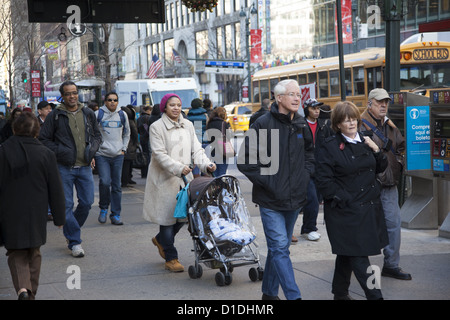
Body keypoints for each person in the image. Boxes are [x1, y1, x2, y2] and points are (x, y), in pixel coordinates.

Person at [237, 79, 315, 300]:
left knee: (278, 249)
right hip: (270, 200)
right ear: (279, 98)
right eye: (292, 94)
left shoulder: (301, 124)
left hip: (294, 199)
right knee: (281, 248)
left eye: (299, 94)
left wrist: (305, 174)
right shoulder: (262, 124)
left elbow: (310, 154)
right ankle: (293, 296)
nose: (297, 98)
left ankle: (269, 293)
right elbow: (245, 161)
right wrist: (269, 183)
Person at [315, 101, 389, 300]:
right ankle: (376, 297)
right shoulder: (330, 146)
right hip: (345, 211)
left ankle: (340, 294)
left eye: (354, 119)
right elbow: (323, 181)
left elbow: (381, 167)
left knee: (348, 252)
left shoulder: (366, 139)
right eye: (346, 120)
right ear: (337, 124)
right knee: (359, 257)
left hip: (368, 208)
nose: (351, 123)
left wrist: (376, 150)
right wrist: (343, 198)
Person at [143, 93, 216, 272]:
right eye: (172, 105)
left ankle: (160, 240)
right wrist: (178, 168)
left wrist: (206, 164)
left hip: (185, 179)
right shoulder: (156, 127)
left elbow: (196, 149)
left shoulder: (188, 124)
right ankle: (171, 257)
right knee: (167, 219)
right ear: (164, 108)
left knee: (183, 216)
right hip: (164, 179)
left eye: (178, 104)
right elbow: (159, 154)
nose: (176, 108)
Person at [0, 112, 65, 300]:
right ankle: (30, 293)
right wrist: (60, 217)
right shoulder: (46, 154)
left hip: (9, 209)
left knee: (16, 251)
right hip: (36, 210)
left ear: (14, 129)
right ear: (37, 131)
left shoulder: (3, 151)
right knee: (34, 251)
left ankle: (22, 289)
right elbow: (56, 188)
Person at [39, 80, 102, 258]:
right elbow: (44, 140)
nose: (72, 96)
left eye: (74, 92)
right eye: (68, 93)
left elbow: (97, 136)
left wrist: (91, 151)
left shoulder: (88, 113)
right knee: (66, 205)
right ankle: (75, 242)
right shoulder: (55, 115)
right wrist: (63, 152)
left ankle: (70, 230)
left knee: (87, 202)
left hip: (84, 167)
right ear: (63, 96)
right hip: (64, 167)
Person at [360, 88, 411, 280]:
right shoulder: (359, 124)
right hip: (367, 185)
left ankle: (391, 264)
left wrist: (398, 162)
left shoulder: (390, 126)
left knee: (393, 223)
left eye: (386, 102)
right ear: (369, 103)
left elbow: (401, 147)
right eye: (379, 102)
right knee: (363, 225)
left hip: (388, 183)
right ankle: (356, 263)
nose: (383, 105)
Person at [294, 98, 333, 242]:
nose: (317, 111)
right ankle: (309, 228)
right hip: (305, 168)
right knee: (311, 199)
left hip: (320, 168)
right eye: (313, 108)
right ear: (307, 109)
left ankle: (307, 228)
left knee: (314, 199)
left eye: (318, 108)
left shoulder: (324, 126)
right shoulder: (300, 125)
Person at [95, 92, 131, 226]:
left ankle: (115, 214)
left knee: (116, 186)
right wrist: (96, 150)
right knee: (104, 181)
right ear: (105, 102)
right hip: (102, 154)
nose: (112, 102)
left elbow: (127, 133)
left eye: (115, 100)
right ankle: (103, 208)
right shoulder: (98, 114)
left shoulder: (122, 114)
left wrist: (123, 149)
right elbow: (92, 133)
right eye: (109, 100)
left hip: (117, 155)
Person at [205, 106, 232, 176]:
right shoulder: (224, 123)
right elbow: (228, 137)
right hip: (223, 150)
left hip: (213, 150)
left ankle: (216, 185)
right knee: (222, 173)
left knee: (215, 172)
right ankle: (221, 186)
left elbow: (208, 137)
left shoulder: (209, 123)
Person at [187, 98, 208, 177]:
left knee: (195, 164)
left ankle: (197, 185)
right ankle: (205, 185)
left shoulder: (188, 116)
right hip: (204, 141)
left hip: (193, 143)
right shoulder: (205, 115)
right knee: (206, 164)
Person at [121, 105, 139, 187]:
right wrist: (135, 144)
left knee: (123, 165)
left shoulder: (121, 121)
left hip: (121, 146)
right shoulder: (131, 122)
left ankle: (123, 180)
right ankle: (125, 180)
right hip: (130, 146)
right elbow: (135, 135)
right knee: (127, 166)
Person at [137, 105, 152, 178]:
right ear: (148, 110)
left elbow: (138, 129)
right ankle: (147, 172)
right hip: (147, 138)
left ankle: (143, 172)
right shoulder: (147, 118)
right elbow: (147, 129)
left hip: (142, 138)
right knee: (148, 156)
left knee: (144, 155)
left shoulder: (139, 118)